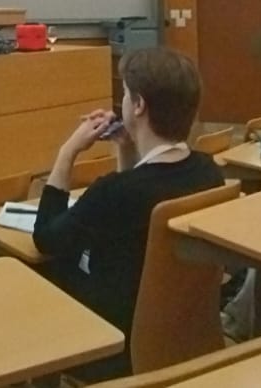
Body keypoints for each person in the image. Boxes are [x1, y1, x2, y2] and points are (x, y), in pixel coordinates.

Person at [33, 46, 225, 380]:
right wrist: (126, 148)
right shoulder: (208, 172)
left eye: (124, 94)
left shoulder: (114, 192)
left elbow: (46, 238)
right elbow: (131, 214)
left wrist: (68, 152)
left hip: (113, 341)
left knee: (39, 268)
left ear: (138, 106)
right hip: (177, 331)